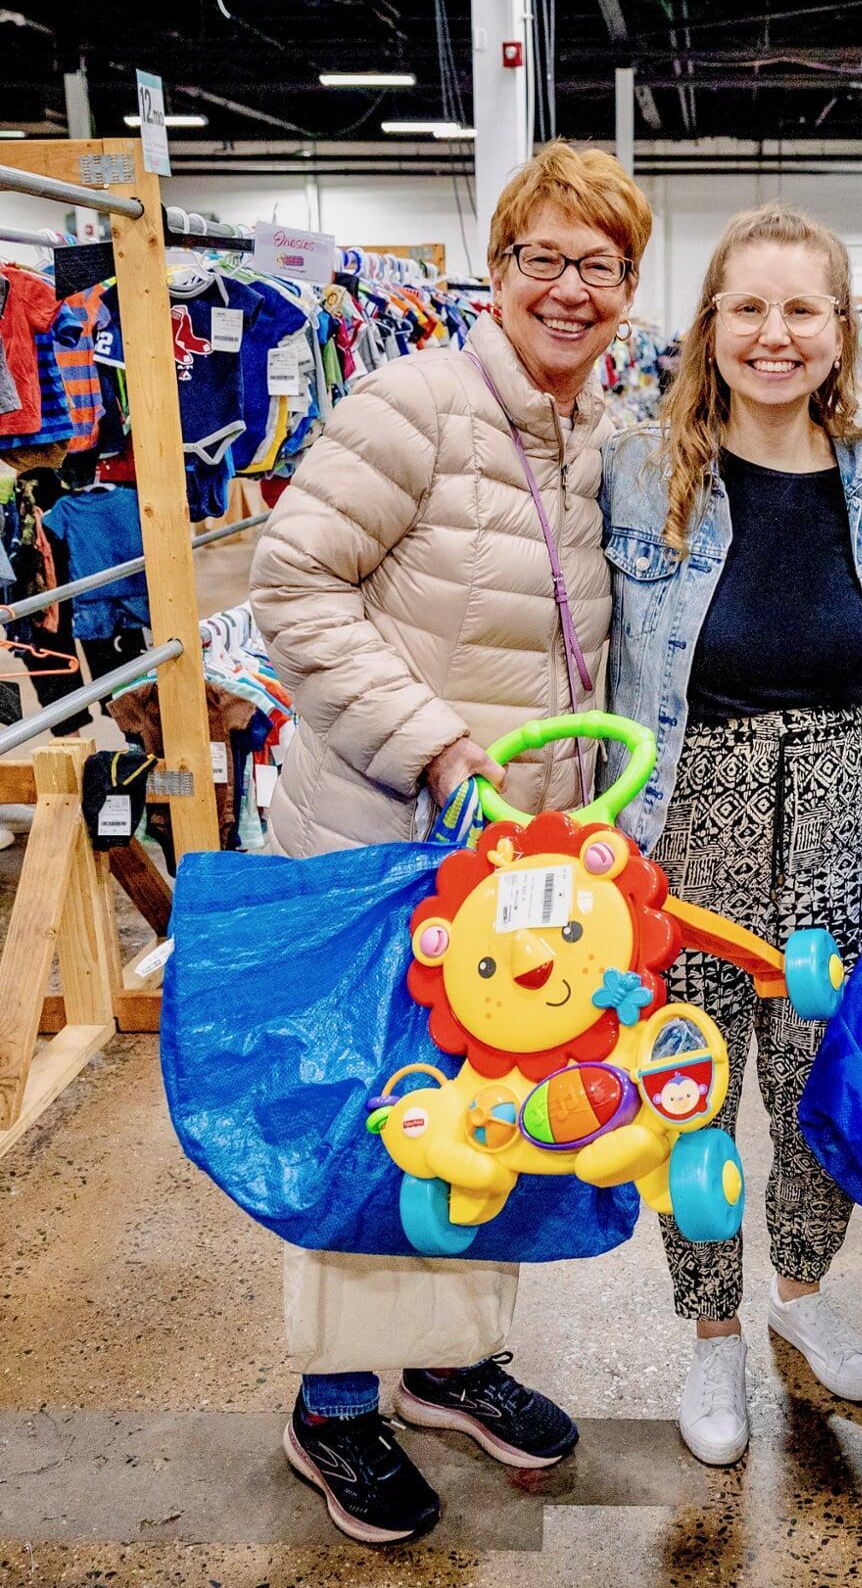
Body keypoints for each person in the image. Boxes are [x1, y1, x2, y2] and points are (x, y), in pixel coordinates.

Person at [249, 140, 651, 1545]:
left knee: (488, 1120)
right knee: (378, 1117)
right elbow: (291, 584)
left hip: (512, 865)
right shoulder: (411, 400)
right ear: (497, 270)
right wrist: (429, 738)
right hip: (383, 838)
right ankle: (335, 1403)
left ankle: (449, 1363)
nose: (570, 288)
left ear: (627, 293)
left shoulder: (597, 429)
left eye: (601, 267)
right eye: (544, 258)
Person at [599, 205, 862, 1466]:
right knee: (693, 1082)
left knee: (812, 1079)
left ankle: (802, 1293)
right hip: (689, 810)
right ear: (710, 324)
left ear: (840, 333)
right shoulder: (636, 466)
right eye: (749, 307)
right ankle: (712, 1334)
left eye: (803, 309)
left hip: (847, 799)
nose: (774, 334)